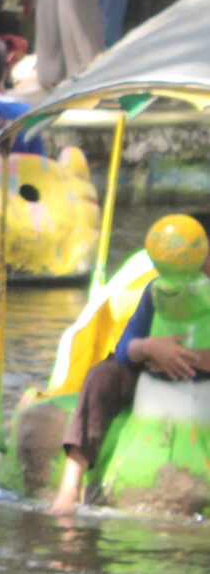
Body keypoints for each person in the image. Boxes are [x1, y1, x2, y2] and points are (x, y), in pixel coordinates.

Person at [53, 214, 210, 513]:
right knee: (102, 375)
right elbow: (126, 346)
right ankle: (68, 488)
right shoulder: (158, 291)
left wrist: (191, 358)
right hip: (152, 375)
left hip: (198, 383)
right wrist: (151, 347)